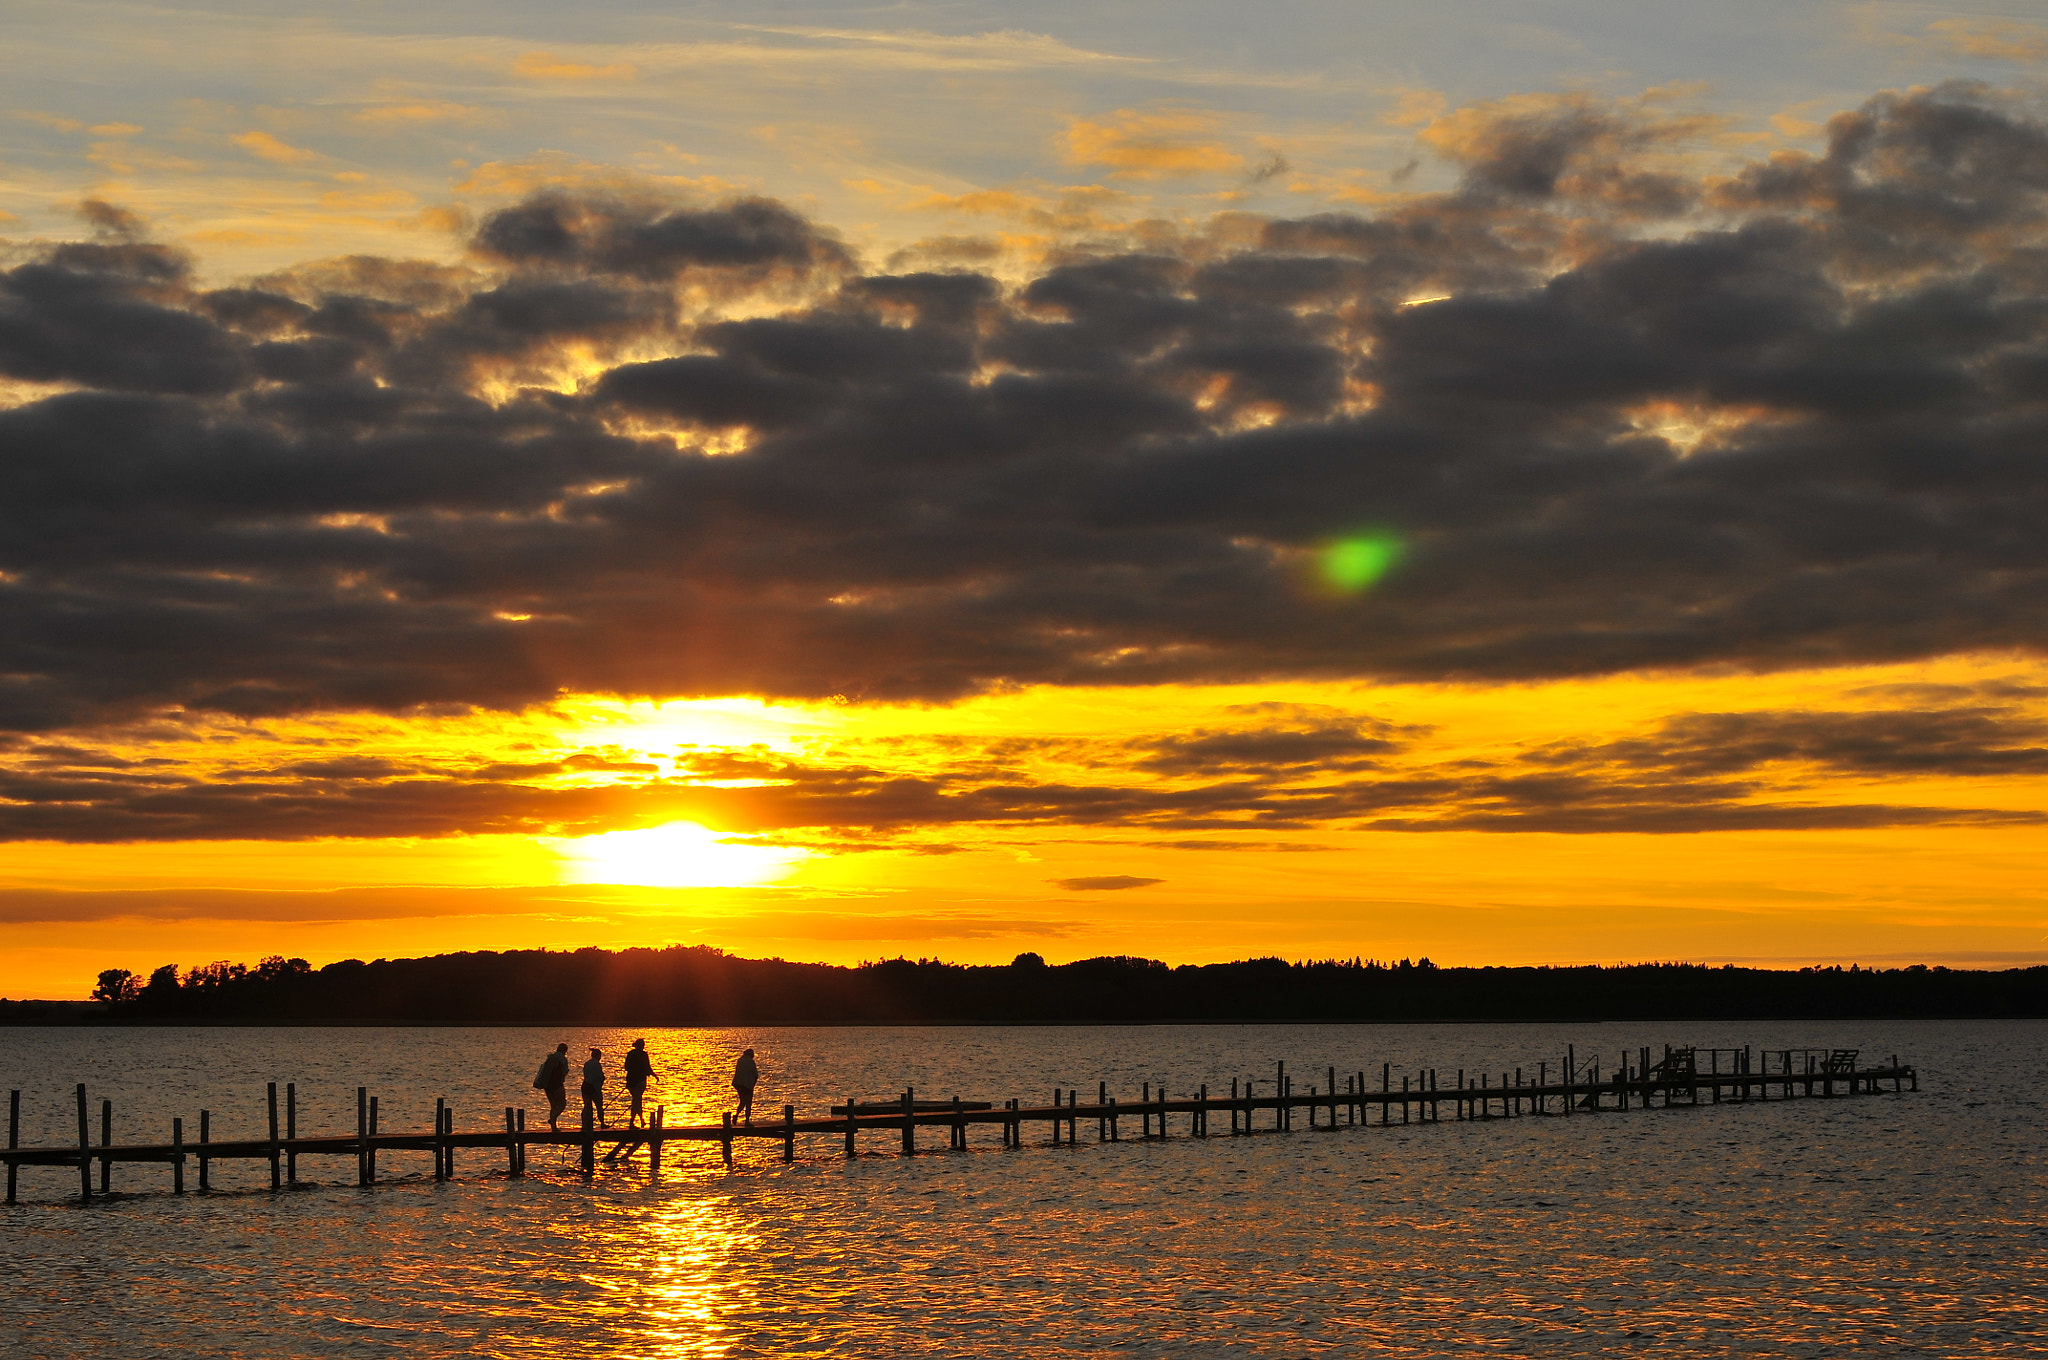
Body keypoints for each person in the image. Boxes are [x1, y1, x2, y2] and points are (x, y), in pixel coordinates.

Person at [534, 1042, 570, 1131]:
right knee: (562, 1104)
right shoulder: (562, 1059)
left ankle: (554, 1127)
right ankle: (552, 1118)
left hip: (547, 1085)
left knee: (553, 1106)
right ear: (565, 1051)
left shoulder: (550, 1057)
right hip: (557, 1084)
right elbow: (564, 1072)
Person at [623, 1039, 656, 1127]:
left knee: (636, 1100)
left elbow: (626, 1067)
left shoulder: (630, 1054)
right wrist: (653, 1075)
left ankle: (640, 1120)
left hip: (630, 1081)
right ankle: (633, 1121)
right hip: (640, 1081)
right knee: (637, 1100)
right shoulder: (643, 1055)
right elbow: (647, 1067)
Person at [581, 1047, 608, 1128]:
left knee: (587, 1106)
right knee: (599, 1106)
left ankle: (585, 1124)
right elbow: (599, 1077)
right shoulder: (597, 1065)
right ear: (598, 1056)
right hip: (594, 1087)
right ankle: (602, 1124)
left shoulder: (587, 1064)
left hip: (585, 1086)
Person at [732, 1047, 760, 1125]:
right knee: (748, 1103)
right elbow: (755, 1075)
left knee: (742, 1101)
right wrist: (753, 1084)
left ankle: (736, 1115)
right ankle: (747, 1121)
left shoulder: (740, 1060)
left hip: (738, 1083)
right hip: (747, 1085)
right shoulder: (751, 1062)